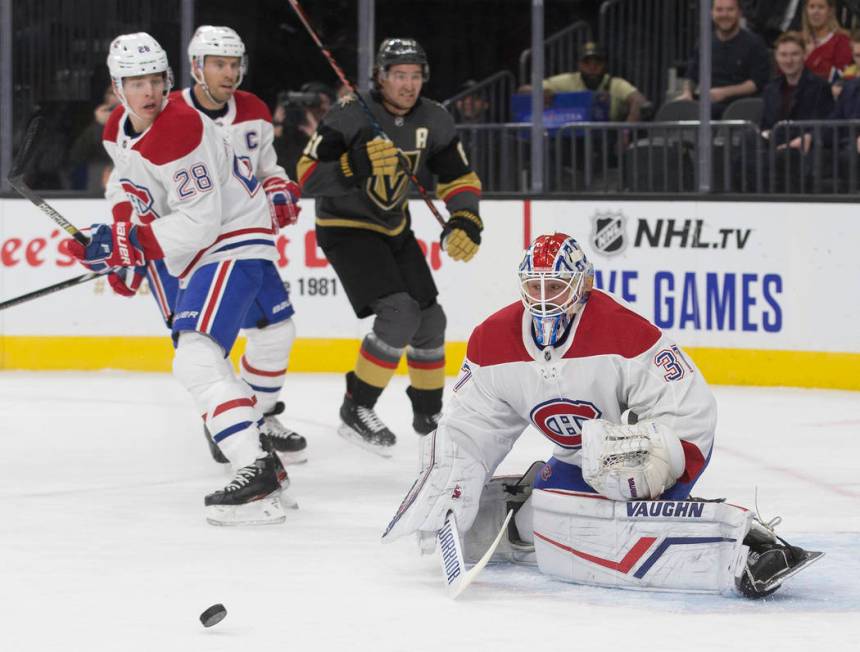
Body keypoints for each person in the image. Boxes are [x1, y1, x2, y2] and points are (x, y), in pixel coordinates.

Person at [382, 233, 821, 598]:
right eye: (534, 286)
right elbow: (473, 426)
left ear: (583, 284)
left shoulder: (623, 331)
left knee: (600, 514)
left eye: (554, 286)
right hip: (578, 461)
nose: (542, 298)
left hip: (636, 463)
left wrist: (662, 458)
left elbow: (690, 409)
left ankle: (745, 547)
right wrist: (453, 476)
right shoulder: (491, 341)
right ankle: (522, 510)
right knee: (541, 522)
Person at [69, 32, 290, 526]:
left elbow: (199, 221)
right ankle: (260, 462)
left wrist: (130, 246)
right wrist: (121, 242)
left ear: (169, 78)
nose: (148, 91)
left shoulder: (179, 128)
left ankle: (255, 471)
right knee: (199, 360)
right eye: (135, 82)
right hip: (205, 249)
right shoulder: (117, 130)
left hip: (232, 238)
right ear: (116, 86)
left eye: (155, 79)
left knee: (196, 359)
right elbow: (128, 191)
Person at [296, 38, 483, 453]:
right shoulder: (350, 115)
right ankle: (356, 406)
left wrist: (466, 217)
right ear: (380, 77)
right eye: (399, 75)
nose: (408, 84)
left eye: (416, 75)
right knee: (400, 313)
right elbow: (307, 175)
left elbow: (458, 177)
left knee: (431, 320)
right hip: (344, 227)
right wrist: (353, 164)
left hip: (393, 228)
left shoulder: (434, 118)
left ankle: (429, 416)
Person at [157, 25, 307, 466]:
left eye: (234, 64)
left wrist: (279, 188)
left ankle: (258, 416)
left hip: (246, 240)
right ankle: (228, 423)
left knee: (277, 332)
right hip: (196, 250)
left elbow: (266, 168)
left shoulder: (255, 110)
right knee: (202, 347)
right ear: (196, 67)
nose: (228, 72)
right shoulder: (171, 114)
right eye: (218, 64)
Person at [681, 0, 771, 118]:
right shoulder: (704, 42)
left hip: (743, 109)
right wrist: (687, 93)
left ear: (739, 13)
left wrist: (724, 93)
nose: (724, 15)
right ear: (711, 13)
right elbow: (691, 76)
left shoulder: (755, 43)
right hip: (708, 108)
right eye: (719, 10)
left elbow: (757, 83)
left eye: (730, 10)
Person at [522, 42, 648, 123]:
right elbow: (523, 90)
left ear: (604, 65)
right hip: (573, 139)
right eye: (587, 63)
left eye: (597, 63)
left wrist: (626, 130)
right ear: (579, 65)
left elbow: (639, 100)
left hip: (607, 140)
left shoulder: (616, 84)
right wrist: (540, 93)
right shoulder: (568, 80)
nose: (592, 67)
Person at [67, 86, 119, 192]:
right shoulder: (96, 125)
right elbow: (77, 155)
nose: (118, 97)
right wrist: (99, 125)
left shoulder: (141, 121)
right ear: (106, 98)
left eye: (121, 91)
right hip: (98, 188)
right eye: (112, 93)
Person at [802, 0, 852, 82]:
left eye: (821, 7)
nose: (815, 12)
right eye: (811, 7)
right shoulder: (797, 39)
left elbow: (840, 77)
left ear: (830, 11)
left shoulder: (842, 41)